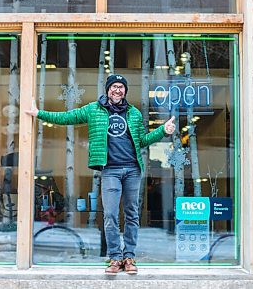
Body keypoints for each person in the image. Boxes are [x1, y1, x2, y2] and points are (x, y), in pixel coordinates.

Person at [26, 74, 175, 275]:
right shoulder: (93, 110)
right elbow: (66, 117)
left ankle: (129, 256)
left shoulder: (134, 113)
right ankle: (115, 258)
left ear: (125, 91)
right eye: (114, 86)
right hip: (110, 170)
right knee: (111, 214)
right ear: (107, 89)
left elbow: (142, 140)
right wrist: (38, 113)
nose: (117, 90)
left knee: (131, 214)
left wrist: (163, 131)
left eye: (121, 87)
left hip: (132, 169)